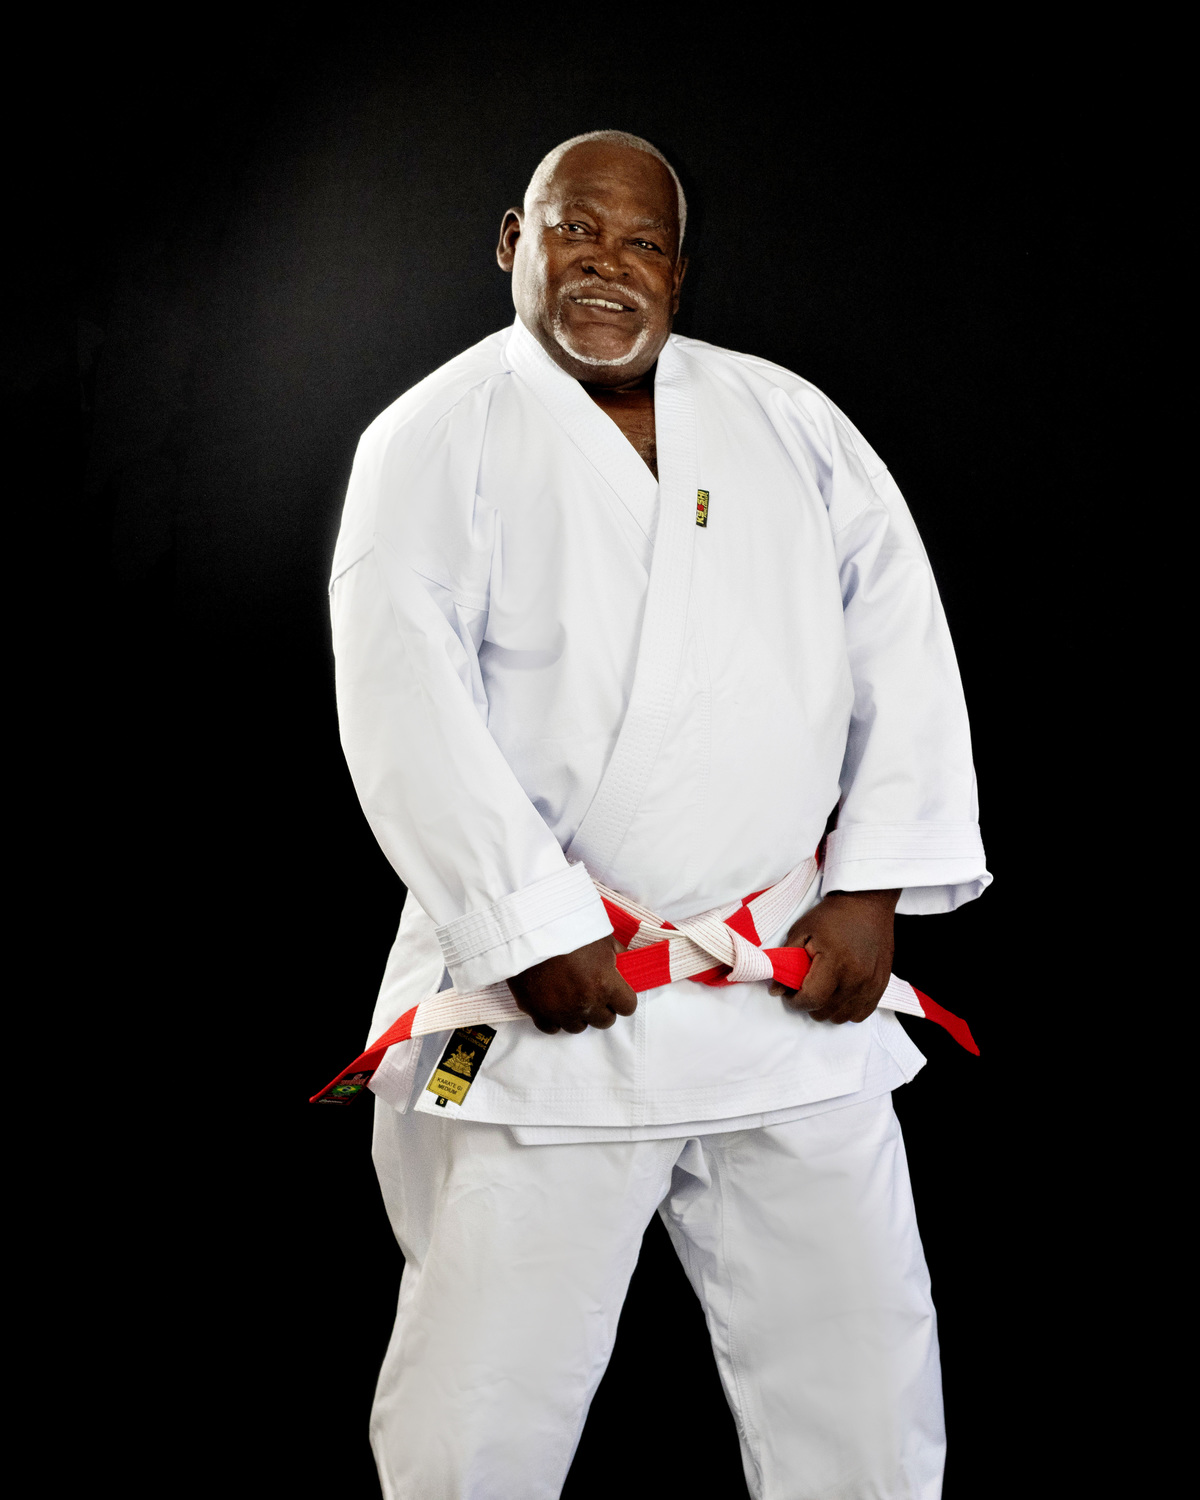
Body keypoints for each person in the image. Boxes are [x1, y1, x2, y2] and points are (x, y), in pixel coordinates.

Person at [329, 129, 989, 1499]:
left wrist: (872, 886)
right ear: (514, 241)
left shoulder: (787, 419)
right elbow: (403, 701)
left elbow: (902, 645)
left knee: (866, 1382)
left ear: (679, 273)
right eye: (576, 230)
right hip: (550, 992)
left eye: (642, 244)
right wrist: (525, 925)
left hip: (780, 982)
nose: (606, 266)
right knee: (479, 1405)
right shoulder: (435, 436)